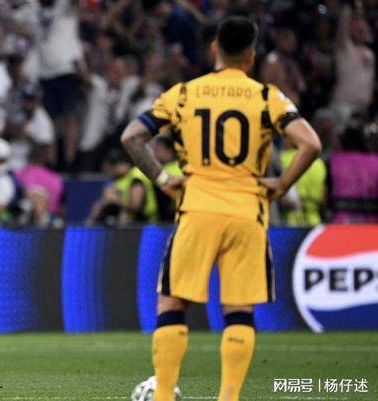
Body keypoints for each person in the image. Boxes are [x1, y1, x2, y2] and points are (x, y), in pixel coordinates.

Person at [121, 17, 321, 401]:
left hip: (197, 208)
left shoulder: (184, 94)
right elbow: (310, 144)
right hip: (247, 212)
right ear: (251, 55)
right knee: (238, 310)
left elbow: (132, 136)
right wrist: (282, 184)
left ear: (214, 48)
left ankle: (163, 394)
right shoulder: (266, 97)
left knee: (172, 303)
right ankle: (228, 397)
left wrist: (161, 178)